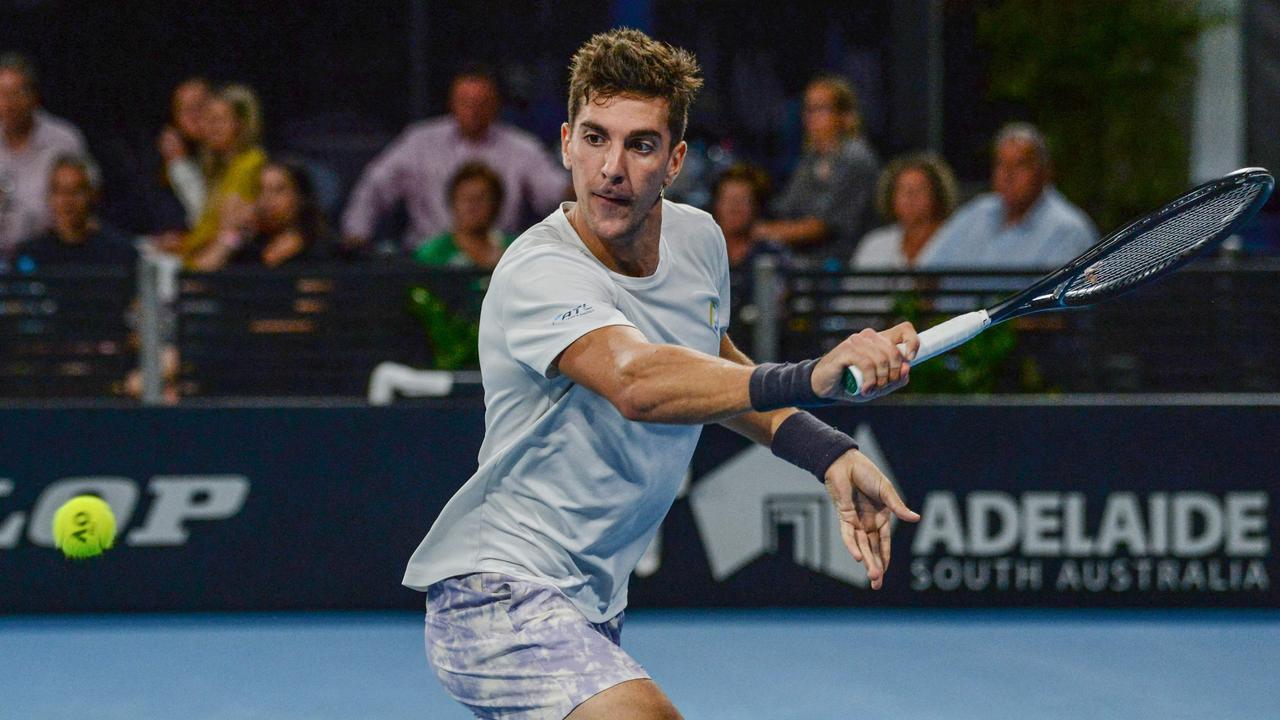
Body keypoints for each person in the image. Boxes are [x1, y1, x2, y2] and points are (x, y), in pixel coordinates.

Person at [403, 29, 920, 720]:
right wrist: (811, 375)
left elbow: (711, 365)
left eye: (640, 144)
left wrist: (823, 449)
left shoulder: (699, 240)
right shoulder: (538, 270)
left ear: (674, 159)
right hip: (498, 594)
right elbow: (639, 382)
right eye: (594, 138)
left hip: (593, 603)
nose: (611, 167)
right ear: (564, 143)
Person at [341, 68, 567, 252]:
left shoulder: (522, 147)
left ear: (496, 105)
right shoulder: (419, 141)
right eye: (466, 102)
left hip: (497, 260)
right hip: (428, 261)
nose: (473, 111)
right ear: (451, 103)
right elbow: (375, 186)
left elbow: (555, 193)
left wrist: (584, 186)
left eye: (481, 103)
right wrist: (356, 235)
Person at [917, 122, 1097, 269]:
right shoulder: (976, 212)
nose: (1008, 175)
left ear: (1045, 172)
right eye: (1001, 165)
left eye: (1020, 165)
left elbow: (1059, 310)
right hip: (953, 314)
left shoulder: (1069, 230)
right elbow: (925, 275)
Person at [755, 75, 880, 266]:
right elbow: (787, 208)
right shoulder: (812, 157)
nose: (810, 117)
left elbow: (822, 226)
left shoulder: (855, 158)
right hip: (807, 262)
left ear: (845, 116)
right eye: (808, 109)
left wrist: (759, 232)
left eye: (820, 109)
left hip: (845, 265)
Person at [0, 53, 87, 261]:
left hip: (50, 259)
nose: (8, 104)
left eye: (16, 93)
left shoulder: (64, 141)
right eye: (2, 94)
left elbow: (86, 200)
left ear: (34, 96)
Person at [178, 84, 267, 266]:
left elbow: (228, 231)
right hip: (192, 260)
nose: (210, 128)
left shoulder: (250, 164)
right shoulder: (220, 168)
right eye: (208, 120)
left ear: (240, 124)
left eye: (218, 120)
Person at [189, 160, 332, 270]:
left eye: (278, 190)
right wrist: (231, 234)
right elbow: (199, 282)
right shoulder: (249, 246)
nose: (267, 200)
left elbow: (312, 304)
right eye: (261, 190)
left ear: (300, 198)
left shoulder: (318, 251)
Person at [12, 154, 135, 269]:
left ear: (93, 195)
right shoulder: (30, 254)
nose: (66, 201)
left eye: (76, 192)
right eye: (59, 191)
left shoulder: (119, 253)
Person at [852, 152, 959, 270]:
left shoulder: (958, 241)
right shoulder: (875, 244)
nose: (910, 197)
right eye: (902, 190)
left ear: (938, 195)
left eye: (920, 189)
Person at [412, 161, 513, 269]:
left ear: (496, 204)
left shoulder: (515, 249)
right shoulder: (431, 254)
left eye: (481, 198)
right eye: (465, 199)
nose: (472, 206)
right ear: (452, 203)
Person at [157, 77, 213, 228]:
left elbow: (208, 220)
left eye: (200, 106)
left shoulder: (231, 155)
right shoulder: (164, 160)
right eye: (184, 109)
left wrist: (179, 165)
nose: (194, 116)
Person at [710, 162, 775, 269]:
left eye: (742, 201)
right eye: (728, 200)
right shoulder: (698, 253)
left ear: (756, 206)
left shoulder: (772, 256)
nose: (734, 208)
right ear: (717, 205)